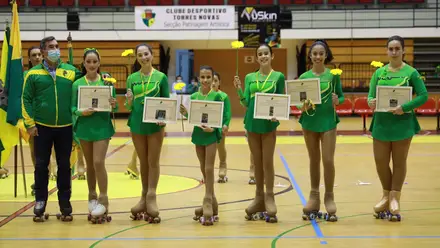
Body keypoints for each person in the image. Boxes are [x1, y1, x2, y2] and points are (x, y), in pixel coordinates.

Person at [368, 35, 428, 222]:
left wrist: (405, 107)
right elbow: (370, 97)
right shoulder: (379, 73)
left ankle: (395, 197)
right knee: (380, 162)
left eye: (397, 49)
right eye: (390, 49)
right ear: (387, 51)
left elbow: (424, 95)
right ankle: (385, 195)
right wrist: (372, 102)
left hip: (403, 124)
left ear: (403, 51)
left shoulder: (411, 73)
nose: (394, 52)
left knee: (399, 162)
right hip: (381, 124)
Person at [22, 36, 82, 222]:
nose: (55, 49)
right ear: (43, 51)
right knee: (41, 166)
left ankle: (65, 204)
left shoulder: (71, 72)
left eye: (57, 46)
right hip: (41, 128)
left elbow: (87, 86)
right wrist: (30, 124)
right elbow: (26, 100)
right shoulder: (32, 74)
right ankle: (40, 201)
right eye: (51, 47)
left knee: (64, 166)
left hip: (65, 127)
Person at [233, 44, 285, 223]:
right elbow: (246, 103)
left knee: (267, 162)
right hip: (252, 123)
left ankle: (270, 197)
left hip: (268, 125)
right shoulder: (249, 77)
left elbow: (280, 101)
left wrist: (276, 115)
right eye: (260, 54)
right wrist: (239, 90)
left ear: (272, 56)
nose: (263, 56)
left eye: (266, 54)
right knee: (256, 162)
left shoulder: (278, 77)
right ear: (256, 58)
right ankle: (259, 198)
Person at [297, 40, 344, 222]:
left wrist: (337, 100)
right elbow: (299, 103)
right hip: (309, 121)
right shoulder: (303, 78)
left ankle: (329, 195)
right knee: (313, 160)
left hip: (328, 122)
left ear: (326, 55)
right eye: (314, 53)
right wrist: (302, 105)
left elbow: (341, 96)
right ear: (310, 56)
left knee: (328, 160)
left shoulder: (333, 76)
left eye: (321, 53)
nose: (317, 56)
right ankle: (314, 195)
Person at [71, 48, 117, 224]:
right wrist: (81, 112)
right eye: (88, 62)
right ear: (84, 63)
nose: (91, 65)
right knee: (89, 164)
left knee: (98, 162)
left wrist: (113, 103)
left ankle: (104, 198)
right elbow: (72, 108)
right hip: (84, 127)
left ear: (99, 63)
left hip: (102, 128)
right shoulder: (77, 84)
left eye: (94, 62)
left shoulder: (106, 84)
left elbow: (115, 108)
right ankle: (92, 196)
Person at [125, 43, 169, 223]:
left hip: (154, 125)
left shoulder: (161, 77)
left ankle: (152, 196)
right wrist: (128, 101)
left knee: (153, 161)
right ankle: (143, 197)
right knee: (143, 161)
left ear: (152, 56)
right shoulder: (131, 78)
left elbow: (166, 102)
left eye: (146, 54)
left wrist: (162, 118)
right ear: (136, 58)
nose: (144, 57)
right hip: (137, 123)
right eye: (140, 55)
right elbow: (129, 106)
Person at [179, 65, 227, 226]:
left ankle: (207, 200)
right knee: (202, 167)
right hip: (199, 134)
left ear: (213, 79)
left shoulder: (217, 96)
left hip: (211, 135)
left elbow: (221, 118)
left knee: (208, 168)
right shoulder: (193, 96)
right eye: (203, 77)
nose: (206, 80)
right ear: (199, 78)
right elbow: (193, 116)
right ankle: (212, 201)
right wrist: (184, 112)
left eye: (209, 77)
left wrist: (215, 128)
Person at [211, 72, 231, 183]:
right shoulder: (203, 95)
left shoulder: (224, 96)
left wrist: (226, 124)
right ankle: (207, 171)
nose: (213, 83)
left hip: (219, 128)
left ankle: (223, 165)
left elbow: (227, 112)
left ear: (219, 82)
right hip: (206, 128)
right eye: (211, 80)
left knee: (220, 147)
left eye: (216, 80)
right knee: (207, 150)